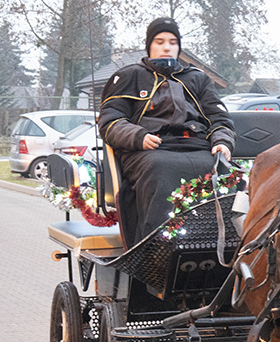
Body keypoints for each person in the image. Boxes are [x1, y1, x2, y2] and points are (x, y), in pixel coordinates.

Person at [98, 17, 236, 246]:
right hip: (148, 150)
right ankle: (156, 249)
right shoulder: (129, 76)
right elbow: (110, 121)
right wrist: (138, 136)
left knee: (225, 170)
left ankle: (223, 244)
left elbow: (220, 118)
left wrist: (222, 141)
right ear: (149, 46)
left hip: (196, 145)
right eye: (159, 41)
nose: (166, 47)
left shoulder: (197, 78)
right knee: (160, 168)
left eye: (172, 42)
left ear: (178, 47)